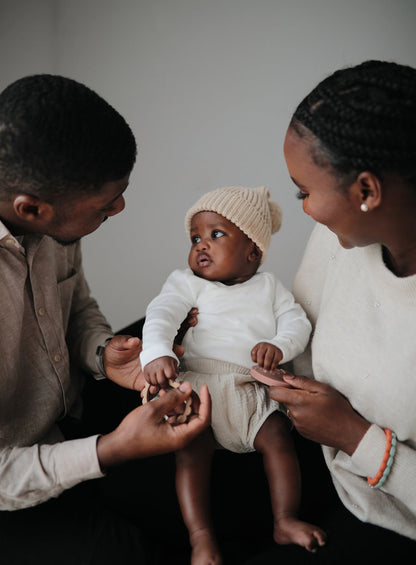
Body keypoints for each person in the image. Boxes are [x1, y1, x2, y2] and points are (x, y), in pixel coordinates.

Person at [0, 74, 210, 564]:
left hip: (67, 413)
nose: (120, 207)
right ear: (31, 207)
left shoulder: (50, 224)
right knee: (127, 552)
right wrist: (110, 450)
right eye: (104, 204)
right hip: (11, 483)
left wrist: (101, 353)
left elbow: (77, 308)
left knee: (196, 344)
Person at [245, 60, 416, 564]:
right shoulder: (340, 241)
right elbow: (300, 327)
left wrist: (352, 436)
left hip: (389, 514)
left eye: (304, 192)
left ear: (366, 191)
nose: (305, 209)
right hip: (312, 456)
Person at [140, 185, 326, 565]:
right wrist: (157, 352)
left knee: (278, 440)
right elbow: (161, 313)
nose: (201, 245)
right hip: (200, 386)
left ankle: (285, 519)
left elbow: (298, 323)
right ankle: (201, 538)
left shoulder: (270, 288)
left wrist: (279, 345)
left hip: (249, 385)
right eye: (195, 237)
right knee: (190, 452)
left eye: (216, 234)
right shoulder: (186, 283)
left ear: (252, 251)